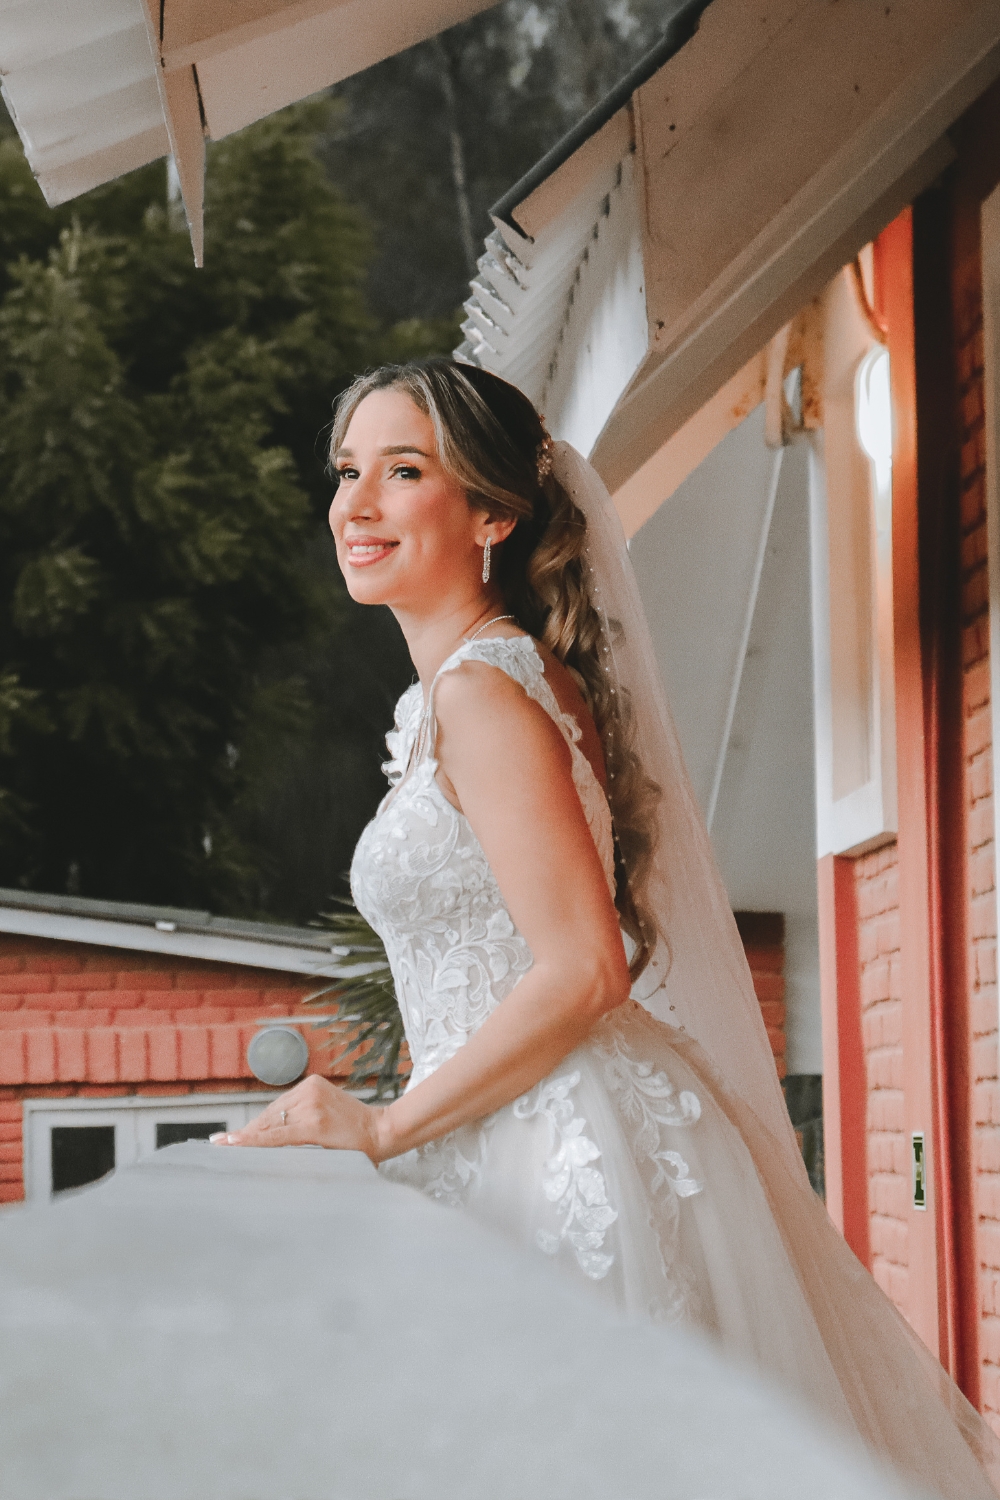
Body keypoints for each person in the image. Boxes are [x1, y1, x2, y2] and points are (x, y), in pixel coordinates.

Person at [216, 358, 1000, 1497]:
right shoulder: (485, 685)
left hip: (557, 1148)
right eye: (347, 473)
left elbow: (585, 966)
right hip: (539, 1119)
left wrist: (384, 1129)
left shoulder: (485, 695)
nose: (356, 506)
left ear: (490, 512)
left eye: (401, 472)